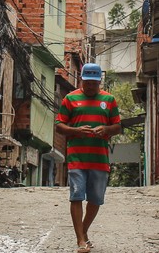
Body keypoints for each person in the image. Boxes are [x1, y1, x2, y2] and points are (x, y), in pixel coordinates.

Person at [55, 63, 121, 253]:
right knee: (76, 196)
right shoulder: (70, 98)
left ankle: (83, 232)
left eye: (94, 82)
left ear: (99, 80)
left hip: (100, 159)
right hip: (76, 157)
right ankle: (80, 240)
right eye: (87, 82)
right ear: (81, 80)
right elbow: (59, 125)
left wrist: (106, 129)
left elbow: (117, 126)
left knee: (96, 199)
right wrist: (76, 130)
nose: (90, 86)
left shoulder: (109, 99)